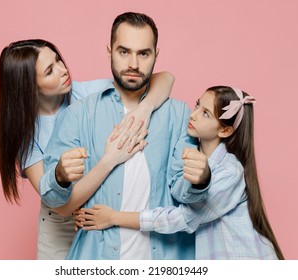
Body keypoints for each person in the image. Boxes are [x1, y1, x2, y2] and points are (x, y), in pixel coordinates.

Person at [40, 12, 210, 260]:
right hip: (96, 256)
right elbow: (54, 201)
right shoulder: (79, 113)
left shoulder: (178, 114)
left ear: (156, 55)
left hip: (166, 258)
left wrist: (200, 180)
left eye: (143, 53)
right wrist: (60, 176)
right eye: (124, 52)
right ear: (109, 51)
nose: (133, 63)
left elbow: (183, 193)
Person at [0, 39, 174, 259]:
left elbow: (165, 78)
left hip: (98, 214)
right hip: (59, 227)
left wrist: (144, 109)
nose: (63, 70)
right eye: (50, 70)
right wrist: (110, 160)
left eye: (58, 59)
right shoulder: (27, 135)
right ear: (28, 85)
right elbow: (61, 206)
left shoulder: (88, 92)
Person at [79, 86, 285, 260]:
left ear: (225, 131)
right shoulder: (189, 152)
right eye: (197, 105)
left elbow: (184, 218)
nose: (193, 114)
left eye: (206, 113)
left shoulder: (229, 172)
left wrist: (114, 217)